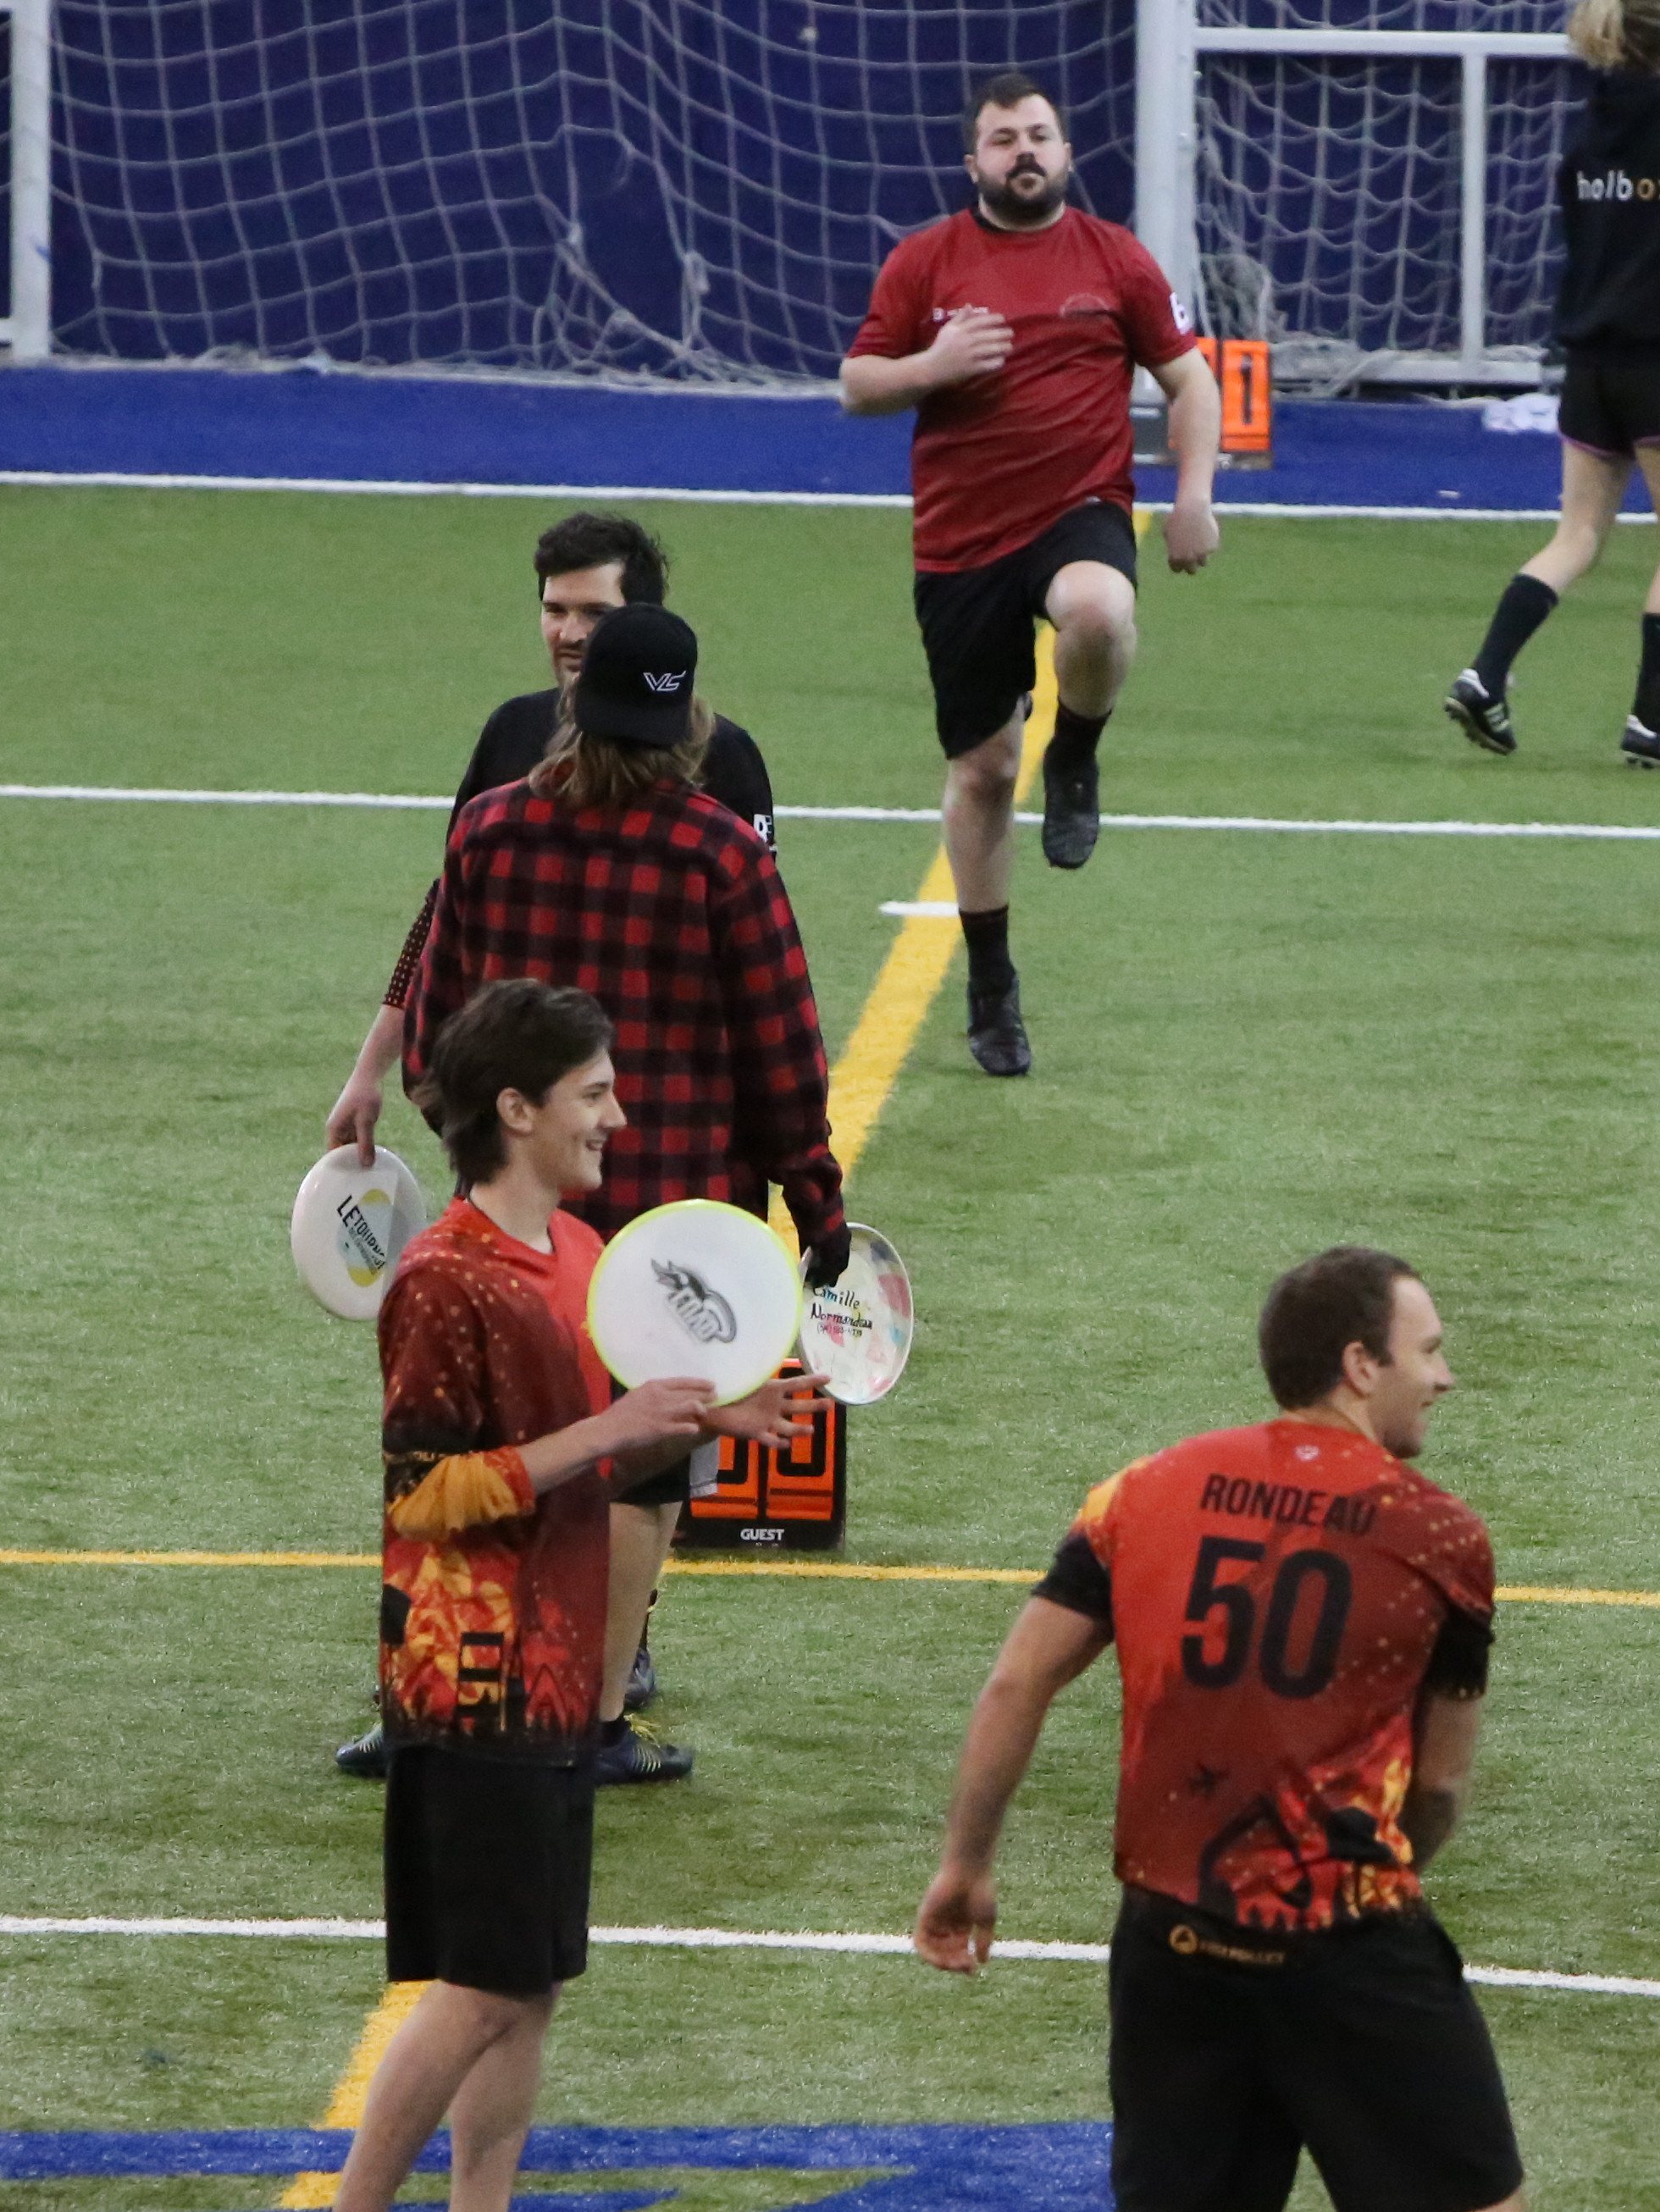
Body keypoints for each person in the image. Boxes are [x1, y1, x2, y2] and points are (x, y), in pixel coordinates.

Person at [914, 1247, 1659, 2212]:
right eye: (1428, 1348)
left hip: (1171, 1930)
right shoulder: (1440, 1538)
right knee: (1479, 2199)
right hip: (1344, 1932)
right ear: (1359, 1366)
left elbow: (1018, 1680)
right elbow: (1440, 1789)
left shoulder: (1142, 1492)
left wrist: (966, 1864)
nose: (1447, 1375)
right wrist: (1390, 1873)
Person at [281, 982, 811, 2212]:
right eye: (594, 1094)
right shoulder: (444, 1280)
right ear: (515, 1110)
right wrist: (615, 1431)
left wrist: (713, 1421)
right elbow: (427, 1494)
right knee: (476, 1986)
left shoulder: (579, 1253)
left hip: (561, 1672)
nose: (617, 1117)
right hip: (474, 1681)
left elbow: (595, 1445)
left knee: (528, 1983)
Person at [323, 506, 781, 1784]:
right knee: (544, 1436)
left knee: (590, 1442)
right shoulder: (524, 750)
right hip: (587, 1173)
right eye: (555, 609)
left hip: (608, 1171)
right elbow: (445, 916)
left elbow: (746, 967)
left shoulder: (716, 771)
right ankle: (508, 1697)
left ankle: (561, 1680)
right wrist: (380, 1063)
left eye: (593, 612)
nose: (569, 632)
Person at [393, 599, 838, 1791]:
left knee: (475, 1454)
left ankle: (426, 1706)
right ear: (688, 723)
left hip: (509, 1211)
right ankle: (587, 1722)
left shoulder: (488, 830)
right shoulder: (721, 855)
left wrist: (483, 1158)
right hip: (672, 1219)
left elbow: (435, 1035)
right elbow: (784, 1052)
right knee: (642, 1460)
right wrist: (818, 1205)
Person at [842, 71, 1221, 1081]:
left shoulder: (1115, 257)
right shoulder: (925, 262)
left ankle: (1078, 754)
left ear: (1066, 153)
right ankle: (990, 982)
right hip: (961, 542)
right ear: (974, 161)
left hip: (1079, 510)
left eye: (1039, 135)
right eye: (1004, 139)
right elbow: (858, 383)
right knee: (983, 772)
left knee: (1097, 611)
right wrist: (932, 366)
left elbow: (1190, 379)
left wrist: (1193, 496)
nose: (1025, 152)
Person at [1441, 0, 1660, 771]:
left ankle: (1485, 675)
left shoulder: (1594, 130)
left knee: (1576, 536)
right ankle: (1655, 720)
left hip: (1591, 362)